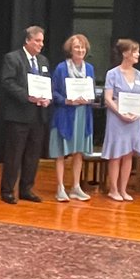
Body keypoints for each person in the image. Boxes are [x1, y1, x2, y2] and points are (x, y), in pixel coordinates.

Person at [0, 26, 51, 204]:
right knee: (14, 155)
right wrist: (27, 96)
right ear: (28, 40)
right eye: (37, 41)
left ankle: (26, 189)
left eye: (42, 41)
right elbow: (7, 82)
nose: (41, 44)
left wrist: (47, 98)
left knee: (32, 156)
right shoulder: (13, 58)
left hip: (38, 115)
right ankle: (7, 190)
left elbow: (46, 83)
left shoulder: (43, 60)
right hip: (18, 115)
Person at [49, 34, 94, 202]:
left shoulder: (89, 68)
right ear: (70, 49)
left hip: (83, 114)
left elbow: (92, 91)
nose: (80, 50)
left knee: (78, 152)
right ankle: (60, 188)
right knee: (60, 152)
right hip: (65, 114)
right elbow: (53, 92)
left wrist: (89, 98)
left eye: (82, 47)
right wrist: (66, 100)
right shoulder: (61, 68)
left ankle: (76, 187)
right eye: (76, 47)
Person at [102, 39, 140, 202]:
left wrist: (138, 112)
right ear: (126, 53)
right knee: (116, 154)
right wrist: (120, 112)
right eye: (135, 51)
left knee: (128, 154)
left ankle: (123, 189)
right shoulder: (112, 74)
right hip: (117, 119)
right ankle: (113, 189)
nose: (138, 54)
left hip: (133, 120)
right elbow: (108, 98)